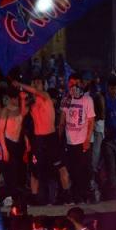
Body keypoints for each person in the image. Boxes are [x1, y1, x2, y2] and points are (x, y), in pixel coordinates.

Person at [14, 76, 72, 204]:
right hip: (38, 140)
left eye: (38, 81)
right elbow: (23, 113)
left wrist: (20, 84)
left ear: (43, 84)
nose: (35, 83)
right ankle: (35, 198)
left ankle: (67, 196)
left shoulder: (45, 95)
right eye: (34, 81)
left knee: (60, 167)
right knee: (35, 170)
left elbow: (35, 92)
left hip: (51, 138)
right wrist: (23, 99)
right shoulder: (32, 102)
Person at [60, 74, 96, 203]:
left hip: (82, 141)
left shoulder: (87, 100)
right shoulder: (66, 99)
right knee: (73, 170)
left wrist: (87, 140)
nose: (73, 86)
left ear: (80, 83)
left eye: (75, 83)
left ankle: (84, 195)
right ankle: (75, 196)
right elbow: (62, 119)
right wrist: (59, 137)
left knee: (83, 170)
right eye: (70, 83)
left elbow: (91, 121)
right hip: (69, 141)